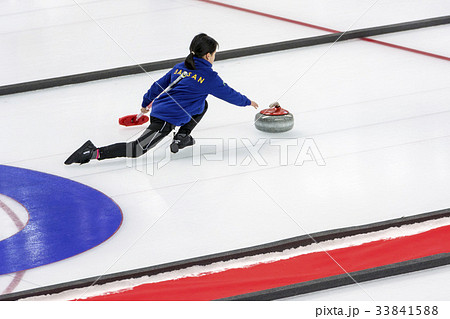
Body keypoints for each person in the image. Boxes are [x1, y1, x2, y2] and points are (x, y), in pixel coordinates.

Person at [64, 33, 259, 165]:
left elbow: (158, 85)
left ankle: (182, 136)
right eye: (215, 54)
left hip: (160, 108)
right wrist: (247, 101)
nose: (214, 57)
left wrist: (145, 104)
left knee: (202, 103)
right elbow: (229, 94)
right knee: (136, 150)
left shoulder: (181, 67)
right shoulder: (209, 77)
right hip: (167, 120)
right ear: (208, 55)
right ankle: (93, 152)